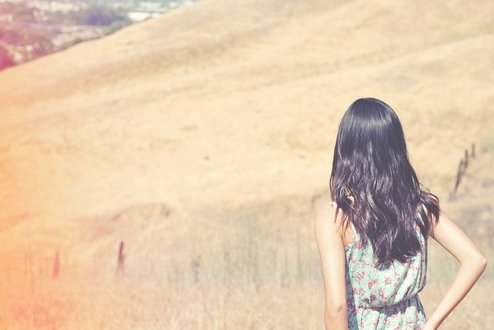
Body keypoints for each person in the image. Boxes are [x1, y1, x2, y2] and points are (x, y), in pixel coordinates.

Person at [314, 98, 486, 329]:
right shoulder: (418, 207)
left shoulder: (336, 217)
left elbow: (336, 307)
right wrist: (431, 324)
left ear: (346, 148)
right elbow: (475, 259)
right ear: (395, 149)